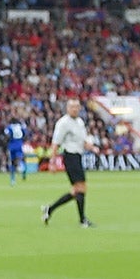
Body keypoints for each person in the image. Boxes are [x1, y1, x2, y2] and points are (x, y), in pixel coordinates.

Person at [42, 97, 96, 227]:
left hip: (77, 156)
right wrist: (52, 162)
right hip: (70, 156)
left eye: (77, 107)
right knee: (81, 188)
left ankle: (50, 209)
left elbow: (82, 140)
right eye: (72, 107)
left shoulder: (80, 122)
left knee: (76, 191)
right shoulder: (63, 123)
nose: (75, 109)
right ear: (67, 108)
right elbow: (55, 143)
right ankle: (82, 220)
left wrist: (91, 147)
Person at [4, 109, 30, 184]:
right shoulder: (20, 126)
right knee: (21, 158)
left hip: (12, 145)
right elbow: (25, 133)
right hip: (19, 144)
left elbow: (7, 134)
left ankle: (13, 179)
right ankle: (22, 168)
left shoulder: (9, 127)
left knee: (12, 162)